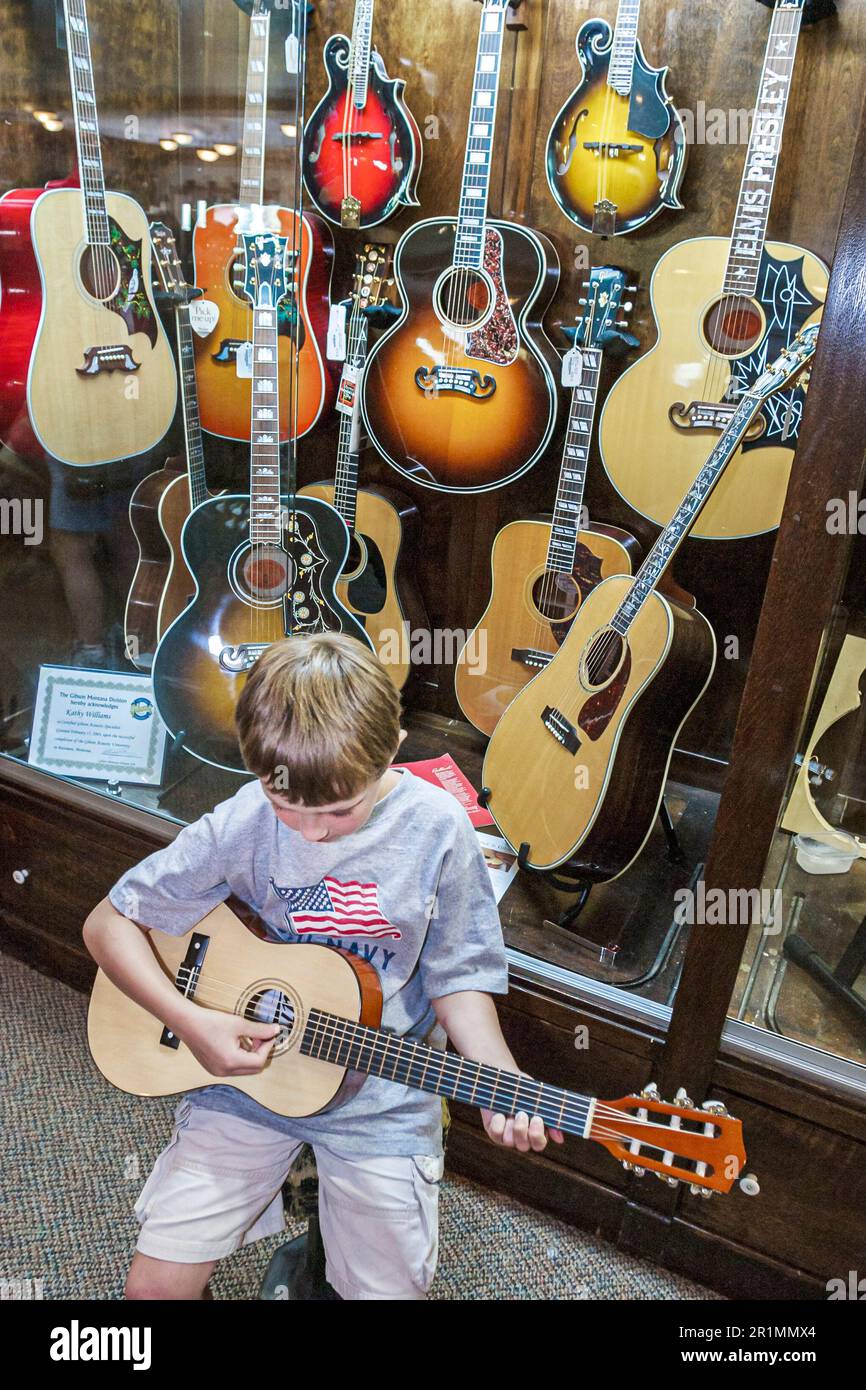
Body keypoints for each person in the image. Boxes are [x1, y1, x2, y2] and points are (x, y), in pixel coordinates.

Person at [83, 633, 563, 1301]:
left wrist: (498, 1075)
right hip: (240, 1084)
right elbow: (107, 924)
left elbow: (460, 975)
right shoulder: (246, 819)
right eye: (289, 810)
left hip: (381, 1098)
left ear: (392, 747)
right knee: (151, 1292)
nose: (310, 834)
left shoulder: (438, 830)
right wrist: (190, 1022)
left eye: (340, 811)